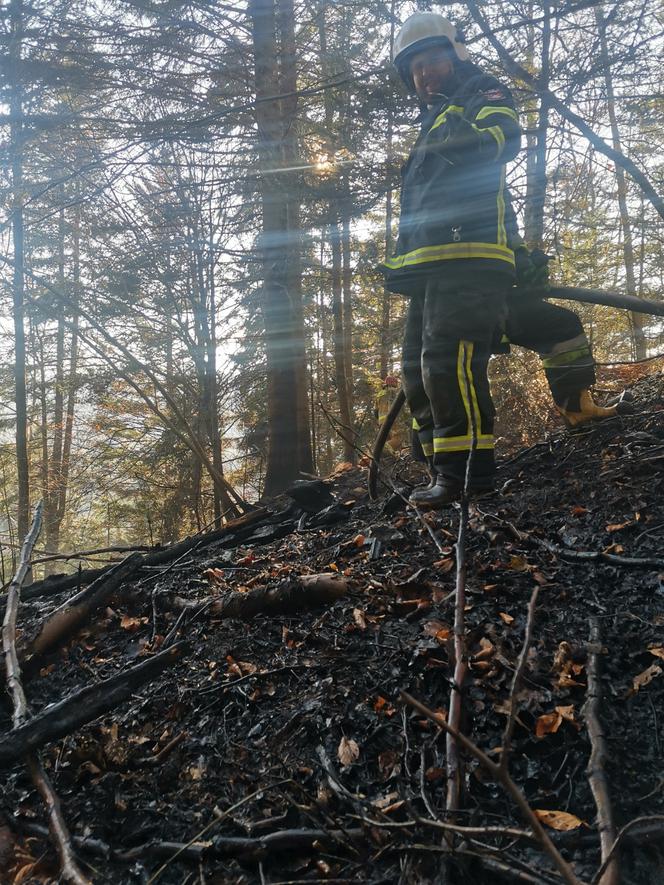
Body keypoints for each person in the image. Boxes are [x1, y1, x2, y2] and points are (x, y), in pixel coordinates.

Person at [380, 12, 630, 509]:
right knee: (418, 367)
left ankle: (467, 475)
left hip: (468, 258)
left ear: (454, 57)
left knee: (450, 363)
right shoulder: (434, 118)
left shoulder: (482, 92)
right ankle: (436, 466)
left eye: (433, 61)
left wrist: (452, 124)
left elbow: (502, 142)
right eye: (416, 68)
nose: (425, 74)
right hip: (429, 264)